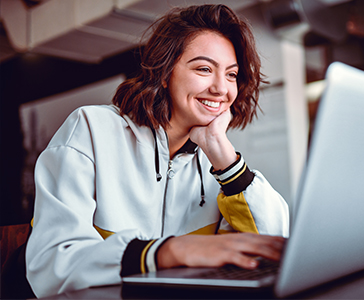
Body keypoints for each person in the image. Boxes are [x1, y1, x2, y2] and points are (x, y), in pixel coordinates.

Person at [26, 4, 289, 298]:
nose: (221, 88)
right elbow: (50, 266)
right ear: (165, 73)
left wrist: (221, 152)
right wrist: (168, 251)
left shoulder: (217, 160)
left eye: (231, 75)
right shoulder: (90, 128)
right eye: (204, 69)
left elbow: (273, 244)